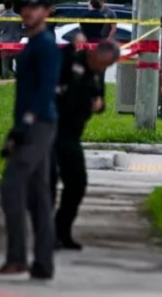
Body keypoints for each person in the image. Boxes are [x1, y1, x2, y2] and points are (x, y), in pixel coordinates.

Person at [0, 0, 61, 282]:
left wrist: (25, 125)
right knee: (39, 196)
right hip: (35, 124)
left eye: (36, 8)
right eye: (25, 8)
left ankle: (17, 259)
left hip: (38, 125)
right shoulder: (33, 43)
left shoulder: (45, 45)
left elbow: (46, 90)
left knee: (11, 187)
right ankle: (42, 264)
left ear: (47, 12)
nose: (29, 12)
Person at [51, 39, 120, 250]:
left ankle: (62, 231)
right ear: (95, 54)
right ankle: (46, 233)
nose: (102, 69)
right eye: (102, 63)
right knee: (47, 185)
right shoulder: (71, 62)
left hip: (72, 134)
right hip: (52, 131)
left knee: (77, 184)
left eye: (107, 67)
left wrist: (98, 106)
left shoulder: (97, 74)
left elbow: (100, 100)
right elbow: (59, 92)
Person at [0, 0, 22, 79]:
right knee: (18, 63)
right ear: (12, 6)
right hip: (15, 41)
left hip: (4, 41)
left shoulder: (0, 17)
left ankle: (5, 80)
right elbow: (19, 27)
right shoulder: (18, 17)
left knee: (5, 64)